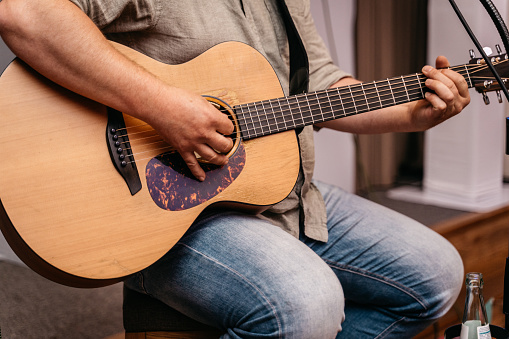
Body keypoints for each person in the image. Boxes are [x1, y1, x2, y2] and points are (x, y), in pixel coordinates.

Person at [0, 0, 470, 337]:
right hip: (169, 215)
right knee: (307, 304)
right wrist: (164, 108)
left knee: (435, 275)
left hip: (291, 197)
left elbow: (319, 86)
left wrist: (414, 114)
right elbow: (23, 11)